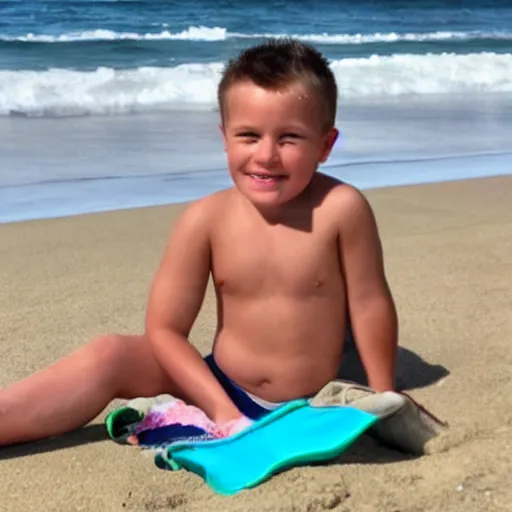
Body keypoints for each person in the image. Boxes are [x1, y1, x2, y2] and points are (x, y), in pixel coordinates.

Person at [0, 38, 398, 446]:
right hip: (218, 386)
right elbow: (164, 329)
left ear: (326, 145)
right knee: (110, 355)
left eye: (289, 138)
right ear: (224, 137)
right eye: (248, 135)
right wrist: (224, 412)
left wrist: (384, 395)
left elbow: (369, 304)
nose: (266, 155)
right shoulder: (205, 219)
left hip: (309, 396)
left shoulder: (340, 210)